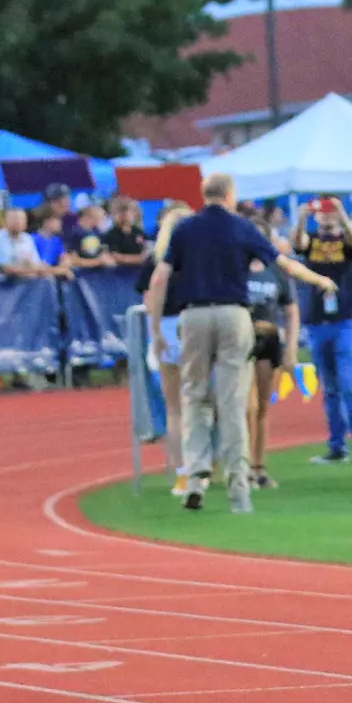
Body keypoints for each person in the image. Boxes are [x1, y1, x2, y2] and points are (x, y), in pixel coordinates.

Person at [145, 173, 337, 514]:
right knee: (233, 401)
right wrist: (319, 279)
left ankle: (195, 475)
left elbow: (159, 278)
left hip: (194, 316)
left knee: (195, 397)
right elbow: (284, 265)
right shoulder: (241, 227)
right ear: (230, 195)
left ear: (204, 194)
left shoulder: (185, 229)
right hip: (234, 314)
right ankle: (238, 488)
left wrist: (157, 328)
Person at [294, 196, 352, 465]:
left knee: (350, 382)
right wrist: (303, 216)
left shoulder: (345, 242)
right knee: (329, 387)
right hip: (318, 321)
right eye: (323, 212)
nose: (326, 217)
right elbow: (298, 245)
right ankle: (337, 445)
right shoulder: (311, 239)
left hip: (346, 319)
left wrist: (341, 213)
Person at [138, 204, 193, 495]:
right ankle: (202, 465)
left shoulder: (156, 259)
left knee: (174, 408)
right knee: (199, 402)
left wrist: (155, 330)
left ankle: (182, 471)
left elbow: (148, 297)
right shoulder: (200, 257)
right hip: (196, 323)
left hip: (166, 328)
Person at [243, 223, 299, 489]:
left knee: (262, 407)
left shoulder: (276, 270)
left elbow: (291, 309)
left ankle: (258, 465)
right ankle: (240, 465)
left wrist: (291, 348)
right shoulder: (235, 268)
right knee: (246, 407)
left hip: (269, 341)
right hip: (241, 342)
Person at [0, 207, 64, 278]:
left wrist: (54, 270)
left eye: (21, 219)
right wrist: (37, 270)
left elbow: (37, 264)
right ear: (6, 220)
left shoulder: (27, 239)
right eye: (15, 218)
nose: (18, 222)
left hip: (26, 288)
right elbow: (8, 270)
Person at [104, 198, 150, 263]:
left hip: (140, 268)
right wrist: (138, 259)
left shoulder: (139, 232)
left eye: (129, 213)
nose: (126, 216)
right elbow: (114, 255)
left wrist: (143, 257)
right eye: (122, 213)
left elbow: (147, 250)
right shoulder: (111, 234)